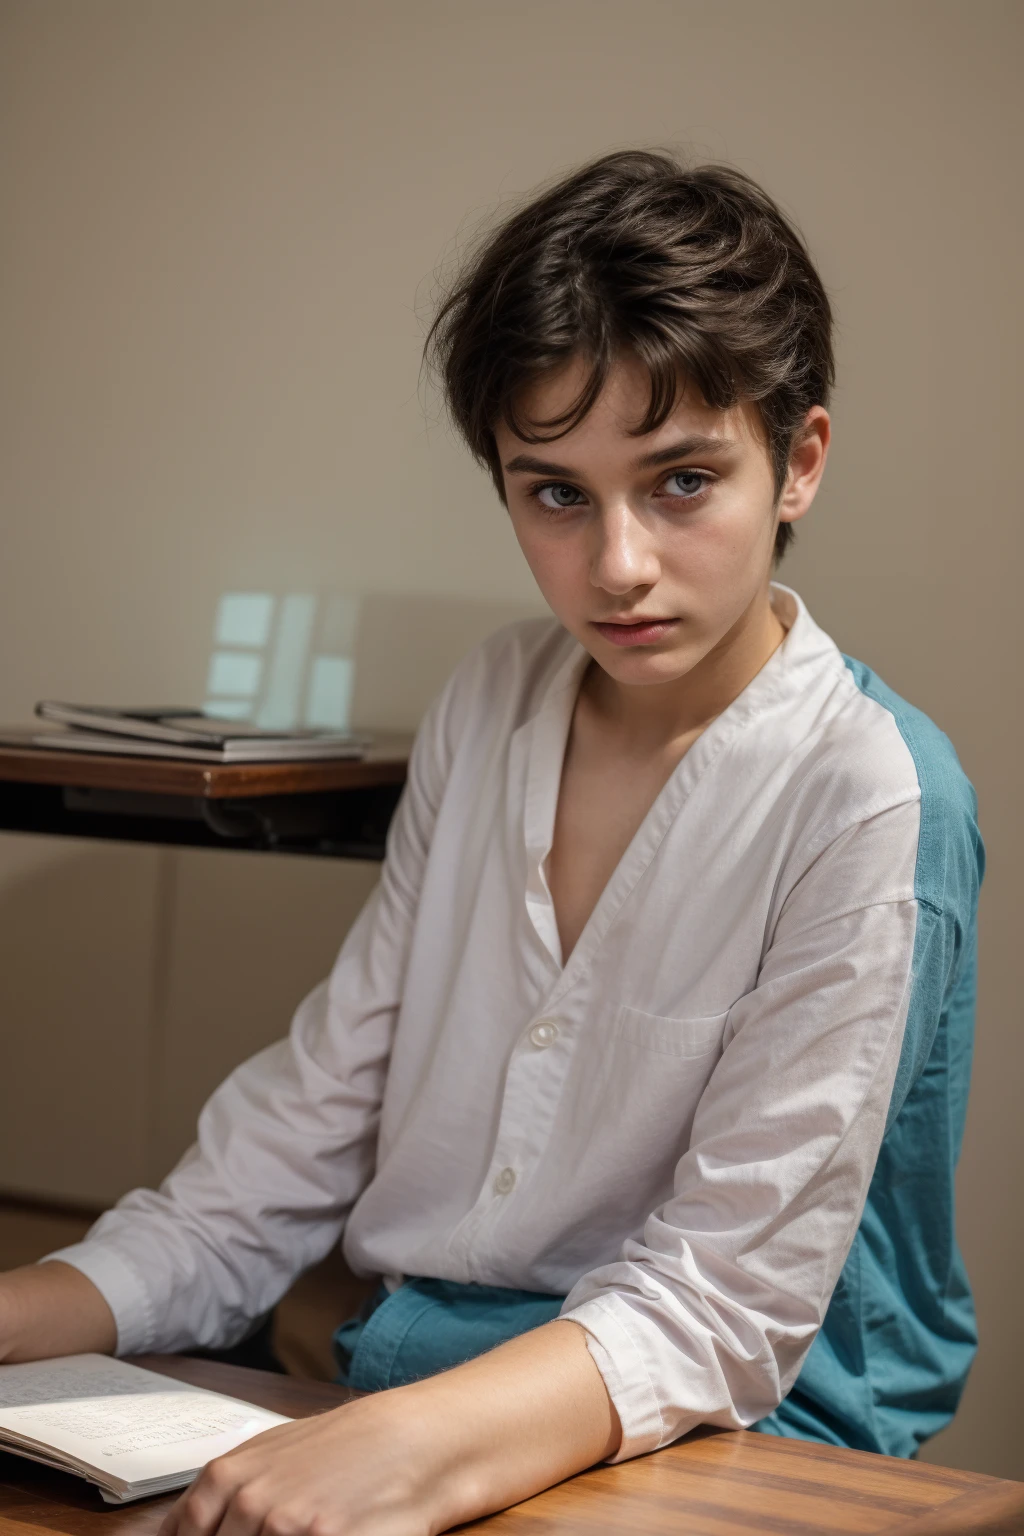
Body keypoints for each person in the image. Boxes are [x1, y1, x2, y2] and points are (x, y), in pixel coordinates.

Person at [0, 151, 982, 1535]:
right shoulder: (494, 700)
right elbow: (299, 1142)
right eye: (556, 494)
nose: (619, 564)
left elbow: (723, 1309)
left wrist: (399, 1451)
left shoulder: (870, 792)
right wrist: (24, 1310)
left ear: (798, 462)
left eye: (682, 480)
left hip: (746, 1427)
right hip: (408, 1362)